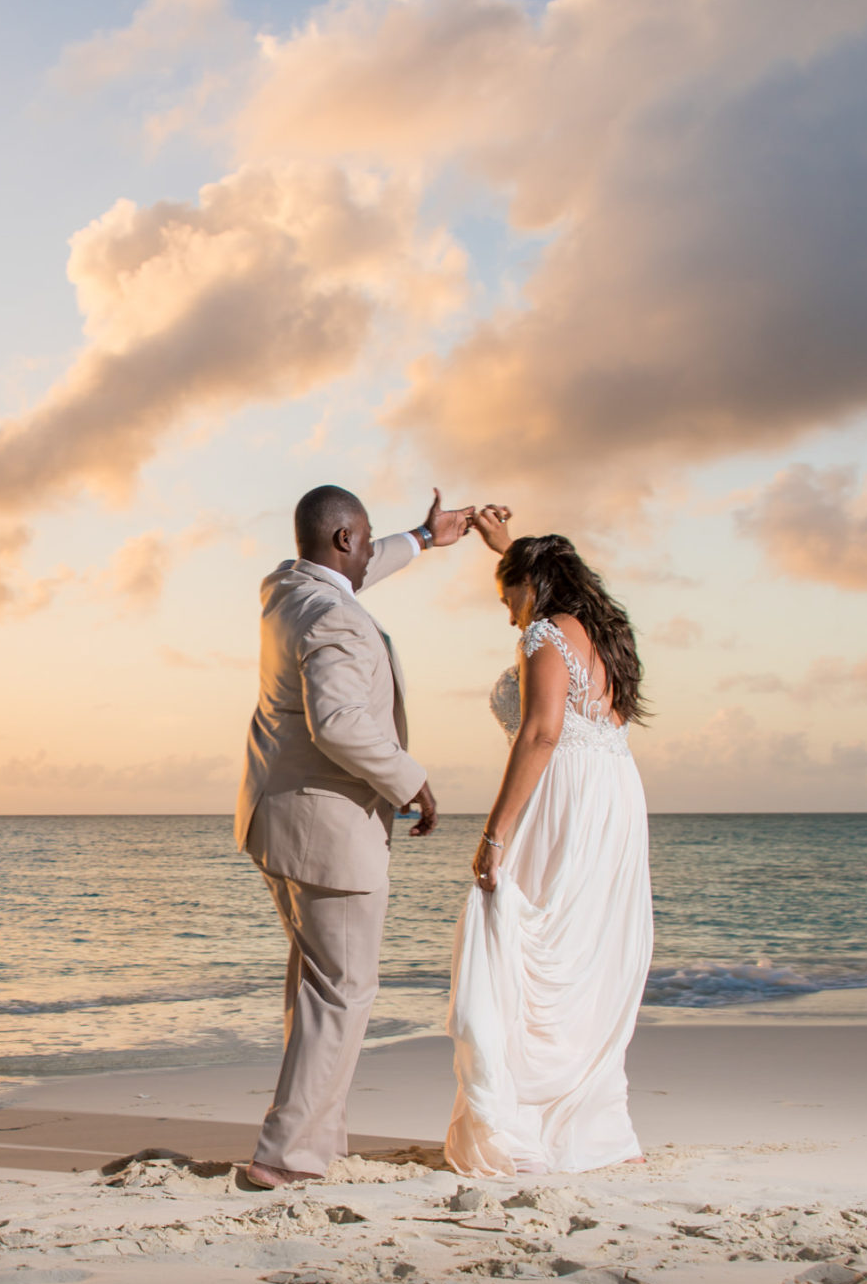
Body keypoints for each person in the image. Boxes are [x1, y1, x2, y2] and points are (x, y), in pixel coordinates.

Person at [236, 484, 483, 1188]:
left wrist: (425, 538)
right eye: (366, 537)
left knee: (318, 988)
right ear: (342, 539)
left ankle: (316, 1136)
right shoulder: (330, 617)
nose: (372, 549)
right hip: (328, 828)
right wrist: (410, 780)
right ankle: (285, 1157)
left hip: (278, 820)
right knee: (342, 990)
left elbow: (352, 574)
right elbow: (339, 722)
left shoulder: (286, 589)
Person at [445, 513, 655, 1175]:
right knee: (578, 954)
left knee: (516, 935)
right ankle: (589, 1129)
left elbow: (540, 733)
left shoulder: (543, 633)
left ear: (530, 587)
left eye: (507, 595)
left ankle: (524, 1125)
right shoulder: (602, 633)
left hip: (563, 798)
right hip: (612, 800)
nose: (508, 616)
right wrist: (509, 550)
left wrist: (493, 834)